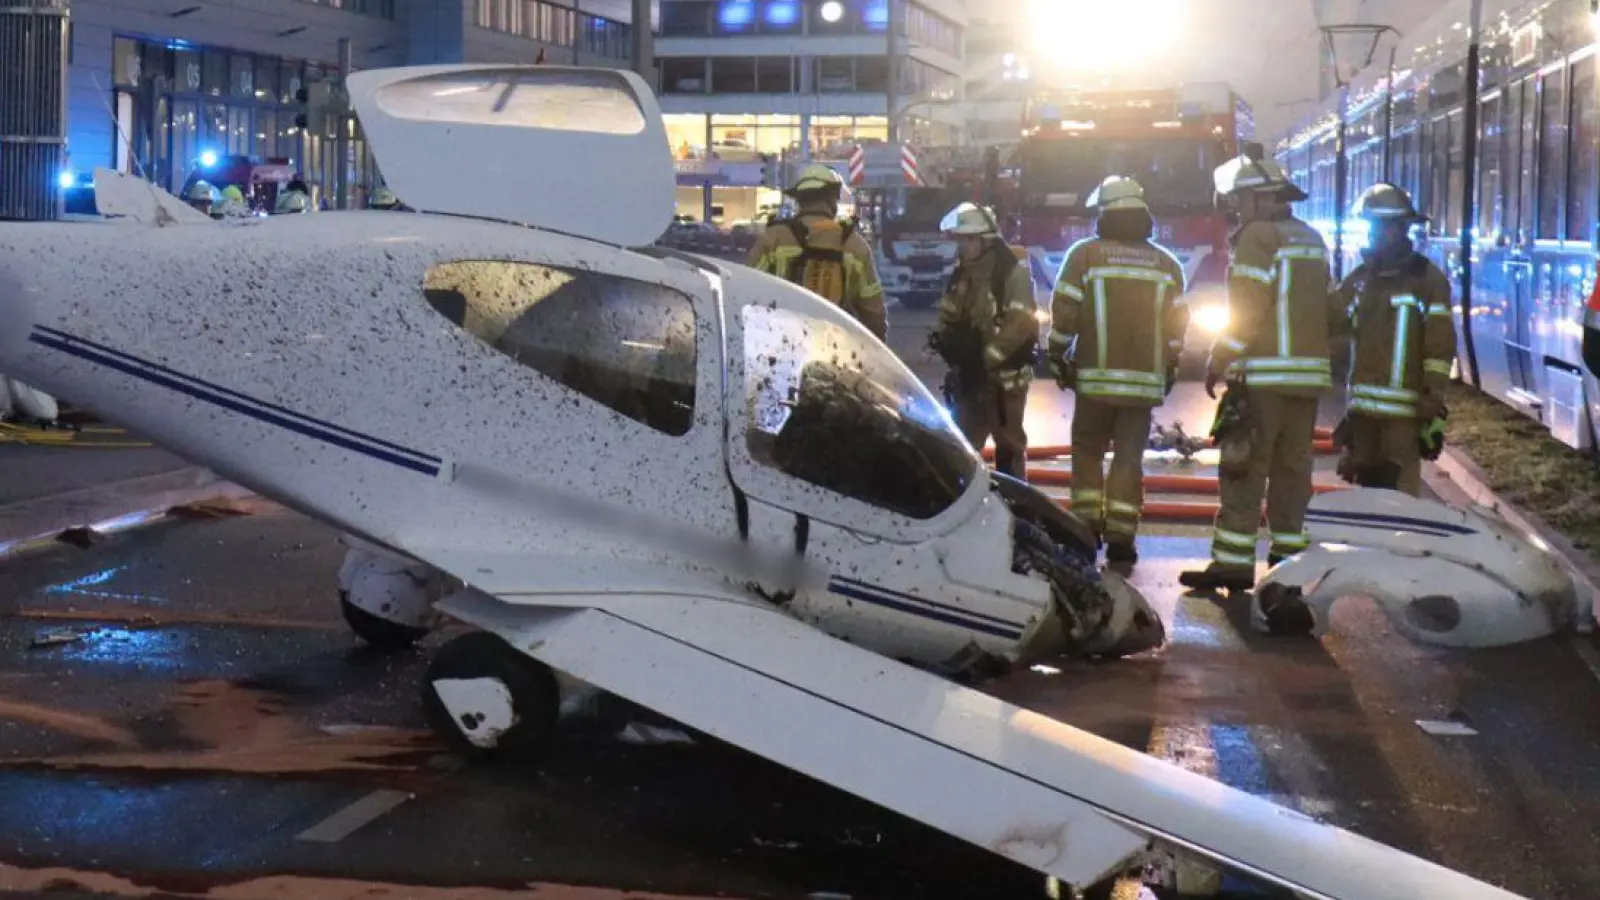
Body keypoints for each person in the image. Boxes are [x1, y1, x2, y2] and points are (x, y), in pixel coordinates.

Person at [1179, 152, 1343, 593]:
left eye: (1239, 202)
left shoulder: (1256, 238)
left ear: (1256, 200)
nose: (1236, 210)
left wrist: (1219, 357)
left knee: (1244, 467)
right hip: (1307, 379)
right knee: (1293, 470)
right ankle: (1287, 565)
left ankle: (1233, 564)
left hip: (1264, 377)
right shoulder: (1310, 238)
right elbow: (1331, 309)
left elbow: (1246, 313)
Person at [1048, 176, 1188, 567]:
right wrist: (1171, 363)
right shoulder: (1166, 263)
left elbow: (1066, 314)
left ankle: (1086, 526)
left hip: (1094, 380)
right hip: (1144, 385)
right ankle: (1123, 535)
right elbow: (1178, 326)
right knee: (1129, 457)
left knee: (1088, 451)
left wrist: (1057, 352)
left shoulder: (1085, 256)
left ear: (1105, 215)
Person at [1331, 183, 1456, 496]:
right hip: (1362, 414)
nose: (1373, 235)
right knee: (1366, 497)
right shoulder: (1361, 279)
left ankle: (1405, 545)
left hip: (1404, 414)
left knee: (1400, 496)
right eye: (1370, 227)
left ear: (1401, 230)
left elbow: (1439, 346)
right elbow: (1330, 321)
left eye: (1381, 228)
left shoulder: (1427, 281)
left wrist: (1433, 395)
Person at [929, 201, 1037, 480]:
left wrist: (985, 358)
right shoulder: (960, 276)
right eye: (960, 240)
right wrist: (947, 342)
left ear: (985, 240)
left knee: (1009, 450)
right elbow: (948, 315)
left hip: (1004, 384)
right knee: (962, 450)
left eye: (968, 240)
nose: (962, 246)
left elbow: (1020, 324)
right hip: (968, 381)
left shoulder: (1012, 274)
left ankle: (1015, 507)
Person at [747, 164, 887, 341]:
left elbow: (749, 294)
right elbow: (874, 311)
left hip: (783, 346)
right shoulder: (854, 245)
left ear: (800, 200)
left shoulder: (773, 238)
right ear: (833, 199)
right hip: (837, 349)